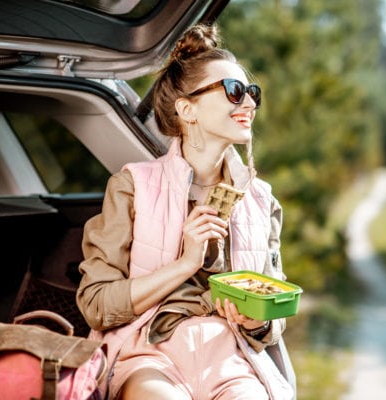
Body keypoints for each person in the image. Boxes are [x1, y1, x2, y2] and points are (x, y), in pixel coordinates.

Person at [76, 23, 293, 400]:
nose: (249, 103)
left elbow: (274, 316)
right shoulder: (132, 186)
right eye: (234, 91)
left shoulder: (261, 200)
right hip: (149, 354)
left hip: (234, 357)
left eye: (251, 92)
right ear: (186, 108)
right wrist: (185, 263)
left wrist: (259, 321)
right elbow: (95, 305)